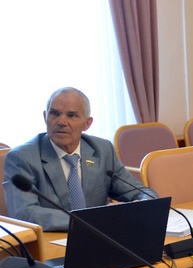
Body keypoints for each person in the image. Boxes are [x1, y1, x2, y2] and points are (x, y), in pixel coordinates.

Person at [3, 87, 159, 231]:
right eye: (54, 113)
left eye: (71, 115)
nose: (61, 122)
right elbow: (25, 213)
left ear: (87, 123)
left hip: (101, 238)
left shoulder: (102, 150)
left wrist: (141, 206)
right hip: (52, 241)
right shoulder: (22, 157)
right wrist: (91, 221)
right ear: (45, 117)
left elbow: (142, 193)